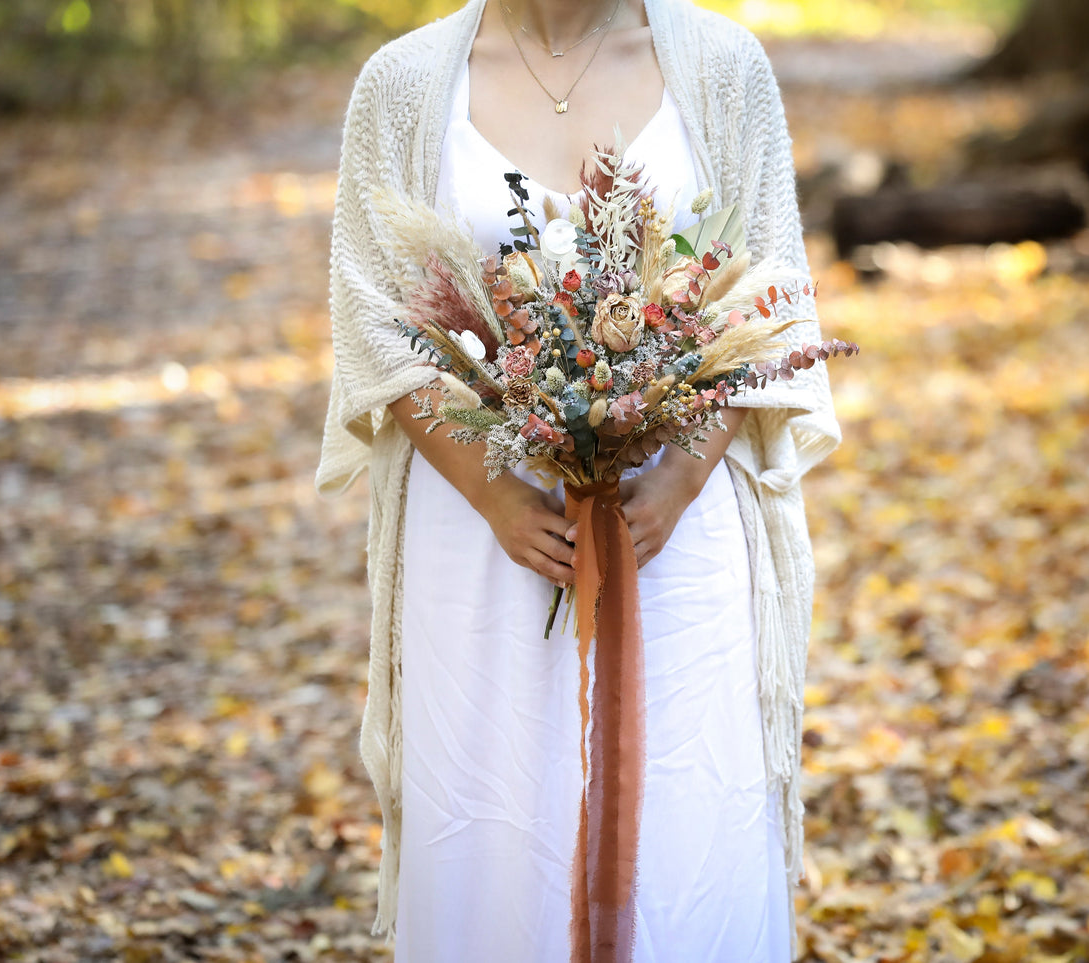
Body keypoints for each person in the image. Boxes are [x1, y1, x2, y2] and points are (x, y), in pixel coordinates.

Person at [315, 0, 840, 957]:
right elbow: (375, 318)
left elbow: (775, 288)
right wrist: (494, 493)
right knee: (492, 814)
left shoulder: (723, 66)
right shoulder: (400, 83)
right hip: (479, 535)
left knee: (688, 819)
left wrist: (679, 479)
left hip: (674, 530)